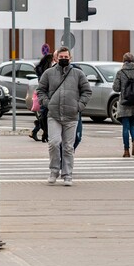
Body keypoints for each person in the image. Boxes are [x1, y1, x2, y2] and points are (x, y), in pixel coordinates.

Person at [36, 47, 91, 186]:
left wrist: (79, 106)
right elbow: (40, 90)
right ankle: (54, 171)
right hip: (54, 114)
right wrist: (47, 103)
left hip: (71, 115)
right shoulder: (49, 73)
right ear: (56, 58)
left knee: (68, 147)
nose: (64, 59)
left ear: (70, 58)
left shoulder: (78, 74)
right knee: (54, 143)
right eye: (61, 57)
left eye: (66, 57)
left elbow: (87, 91)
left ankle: (67, 175)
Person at [29, 52, 54, 142]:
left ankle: (36, 131)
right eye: (53, 60)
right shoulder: (45, 71)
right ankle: (42, 133)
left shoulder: (41, 69)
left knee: (44, 116)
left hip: (43, 96)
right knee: (45, 116)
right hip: (45, 96)